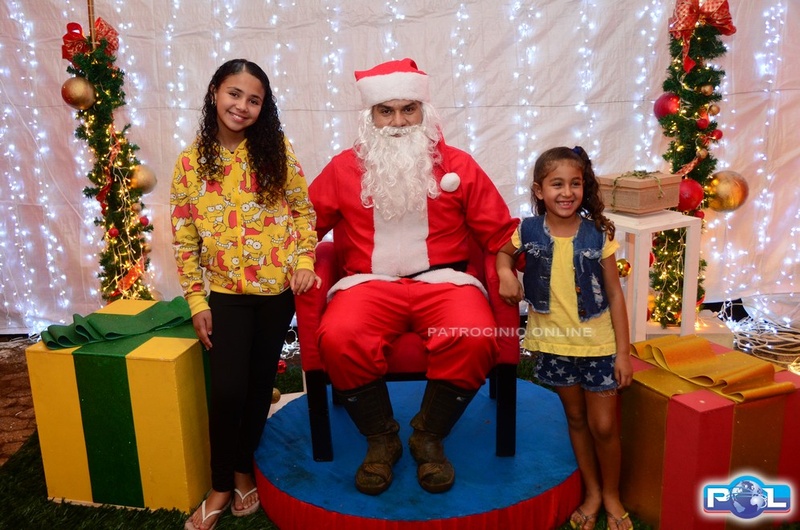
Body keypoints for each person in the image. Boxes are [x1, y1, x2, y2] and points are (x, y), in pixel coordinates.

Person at [306, 58, 518, 495]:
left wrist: (504, 266)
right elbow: (302, 227)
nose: (399, 122)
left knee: (475, 335)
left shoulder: (458, 165)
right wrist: (298, 260)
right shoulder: (343, 168)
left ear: (425, 111)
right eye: (386, 111)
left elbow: (501, 232)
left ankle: (428, 436)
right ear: (370, 116)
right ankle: (381, 438)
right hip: (366, 284)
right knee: (340, 336)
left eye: (409, 109)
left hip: (446, 281)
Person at [170, 58, 318, 530]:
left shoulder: (276, 152)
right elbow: (184, 240)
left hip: (276, 293)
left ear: (263, 107)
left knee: (256, 388)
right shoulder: (190, 163)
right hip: (226, 294)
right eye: (235, 94)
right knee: (227, 390)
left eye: (254, 100)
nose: (242, 106)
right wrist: (197, 300)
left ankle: (242, 469)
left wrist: (304, 261)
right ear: (215, 92)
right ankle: (219, 484)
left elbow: (303, 212)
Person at [496, 146, 633, 530]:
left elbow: (615, 293)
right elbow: (503, 255)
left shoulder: (597, 234)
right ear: (539, 191)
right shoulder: (527, 230)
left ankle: (612, 494)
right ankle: (593, 492)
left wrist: (623, 352)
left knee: (603, 426)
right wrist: (506, 274)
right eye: (557, 184)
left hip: (598, 345)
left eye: (575, 183)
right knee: (575, 418)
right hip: (555, 344)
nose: (567, 192)